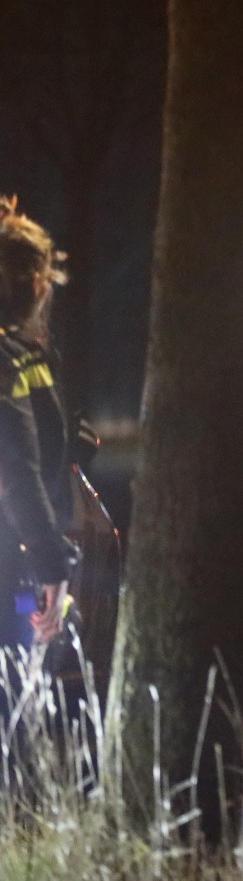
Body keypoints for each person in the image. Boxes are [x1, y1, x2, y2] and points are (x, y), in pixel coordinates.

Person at [0, 199, 77, 655]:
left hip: (16, 564)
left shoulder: (26, 356)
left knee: (22, 627)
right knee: (14, 677)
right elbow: (16, 467)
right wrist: (53, 566)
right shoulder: (10, 359)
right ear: (36, 284)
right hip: (14, 564)